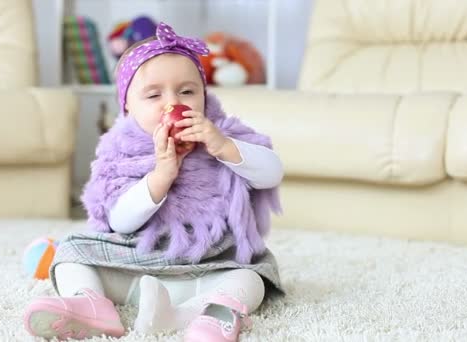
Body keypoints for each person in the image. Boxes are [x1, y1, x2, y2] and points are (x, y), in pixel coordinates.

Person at [23, 22, 284, 340]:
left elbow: (272, 173)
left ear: (204, 94)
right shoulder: (121, 151)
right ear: (128, 105)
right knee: (70, 253)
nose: (173, 103)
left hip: (208, 261)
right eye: (153, 94)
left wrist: (224, 147)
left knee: (252, 278)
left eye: (187, 91)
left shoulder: (222, 134)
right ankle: (91, 304)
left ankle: (201, 314)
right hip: (136, 262)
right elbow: (119, 222)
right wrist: (161, 176)